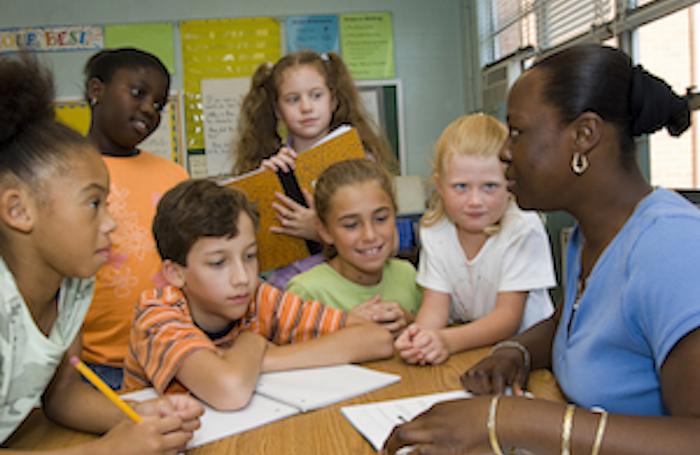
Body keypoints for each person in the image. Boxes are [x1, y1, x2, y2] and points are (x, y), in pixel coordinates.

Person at [384, 44, 700, 455]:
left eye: (517, 131)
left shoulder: (675, 247)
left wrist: (511, 420)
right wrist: (515, 351)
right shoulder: (592, 233)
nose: (505, 152)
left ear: (584, 136)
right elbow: (576, 325)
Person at [0, 53, 202, 454]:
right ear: (18, 210)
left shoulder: (73, 286)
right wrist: (108, 450)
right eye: (94, 204)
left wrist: (142, 417)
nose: (111, 223)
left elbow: (63, 395)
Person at [123, 179, 394, 411]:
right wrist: (252, 341)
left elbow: (377, 338)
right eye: (218, 263)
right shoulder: (157, 314)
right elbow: (230, 391)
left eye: (250, 256)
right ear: (175, 273)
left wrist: (263, 361)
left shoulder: (259, 298)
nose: (242, 278)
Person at [394, 114, 555, 365]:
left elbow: (506, 319)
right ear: (439, 185)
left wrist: (446, 340)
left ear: (510, 183)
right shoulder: (435, 230)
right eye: (460, 187)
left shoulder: (523, 228)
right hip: (475, 349)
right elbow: (435, 307)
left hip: (528, 353)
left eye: (490, 186)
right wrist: (421, 337)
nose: (474, 201)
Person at [232, 50, 397, 289]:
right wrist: (263, 186)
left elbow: (390, 244)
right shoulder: (270, 166)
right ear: (277, 110)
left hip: (350, 288)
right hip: (290, 291)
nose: (306, 107)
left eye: (316, 95)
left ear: (333, 100)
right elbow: (253, 249)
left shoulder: (362, 163)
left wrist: (319, 230)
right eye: (292, 99)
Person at [80, 47, 189, 390]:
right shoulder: (63, 172)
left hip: (170, 355)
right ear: (96, 91)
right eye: (138, 93)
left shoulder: (173, 175)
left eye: (158, 104)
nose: (149, 109)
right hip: (90, 365)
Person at [286, 159, 421, 337]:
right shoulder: (306, 292)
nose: (370, 235)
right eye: (351, 225)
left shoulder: (407, 274)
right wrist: (341, 327)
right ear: (325, 231)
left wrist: (410, 323)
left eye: (381, 218)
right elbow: (290, 357)